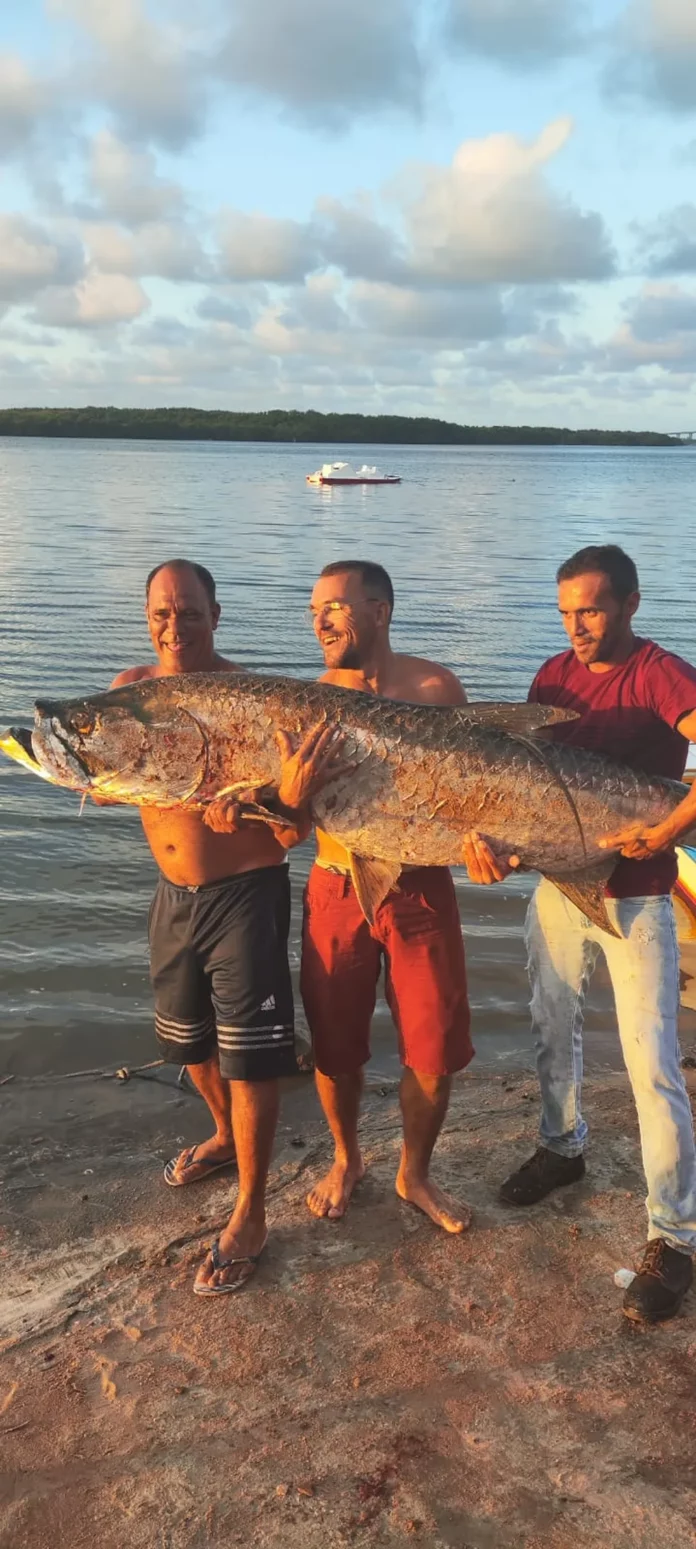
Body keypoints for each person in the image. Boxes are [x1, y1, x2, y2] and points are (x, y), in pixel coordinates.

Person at [462, 544, 696, 1323]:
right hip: (559, 888)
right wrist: (495, 848)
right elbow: (517, 787)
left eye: (591, 610)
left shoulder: (662, 674)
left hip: (640, 899)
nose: (577, 628)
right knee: (550, 1026)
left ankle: (676, 1234)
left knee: (653, 1063)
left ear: (631, 602)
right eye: (565, 612)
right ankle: (562, 1146)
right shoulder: (551, 680)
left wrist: (668, 829)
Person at [107, 558, 343, 1296]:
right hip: (173, 896)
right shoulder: (129, 693)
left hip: (246, 896)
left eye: (189, 612)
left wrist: (266, 805)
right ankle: (221, 1133)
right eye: (161, 614)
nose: (174, 627)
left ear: (217, 613)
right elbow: (117, 781)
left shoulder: (256, 701)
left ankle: (252, 1209)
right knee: (188, 1043)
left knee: (251, 1058)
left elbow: (296, 830)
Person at [300, 559, 474, 1234]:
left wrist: (488, 846)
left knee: (433, 1052)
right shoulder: (314, 699)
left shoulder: (435, 686)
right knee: (335, 1049)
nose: (320, 620)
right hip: (337, 885)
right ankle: (347, 1158)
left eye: (335, 607)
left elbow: (477, 789)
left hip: (420, 884)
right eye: (314, 609)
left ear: (380, 610)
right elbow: (295, 812)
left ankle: (414, 1171)